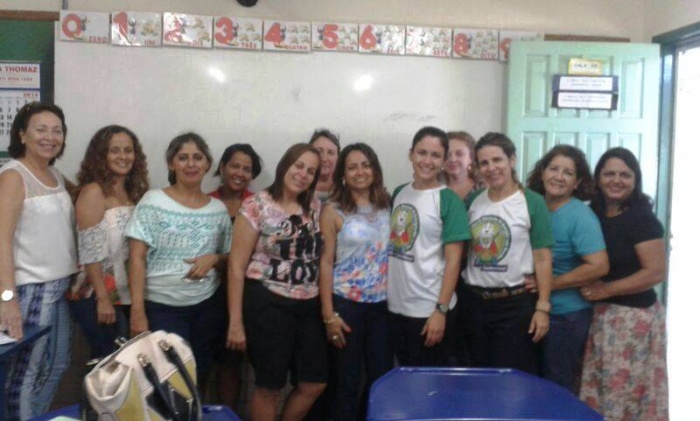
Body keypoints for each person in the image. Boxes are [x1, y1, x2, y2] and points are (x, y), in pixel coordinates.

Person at [227, 143, 326, 421]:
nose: (303, 174)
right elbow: (236, 266)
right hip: (267, 304)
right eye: (299, 166)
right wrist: (235, 322)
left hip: (308, 305)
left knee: (314, 383)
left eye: (311, 171)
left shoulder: (315, 206)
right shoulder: (256, 205)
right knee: (269, 386)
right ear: (285, 165)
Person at [126, 132, 231, 385]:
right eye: (183, 158)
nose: (190, 164)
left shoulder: (218, 209)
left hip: (207, 307)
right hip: (162, 307)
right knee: (169, 381)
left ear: (207, 164)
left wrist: (214, 258)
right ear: (171, 164)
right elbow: (136, 258)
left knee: (199, 375)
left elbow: (230, 256)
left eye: (197, 157)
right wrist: (137, 311)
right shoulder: (153, 201)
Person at [0, 101, 78, 420]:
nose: (50, 137)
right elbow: (1, 239)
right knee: (24, 374)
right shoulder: (13, 176)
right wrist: (7, 298)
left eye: (57, 130)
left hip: (59, 288)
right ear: (22, 134)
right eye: (41, 129)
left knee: (57, 364)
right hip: (30, 290)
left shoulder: (54, 173)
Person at [579, 147, 668, 420]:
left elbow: (655, 272)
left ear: (635, 179)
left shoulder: (641, 218)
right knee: (597, 390)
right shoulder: (590, 214)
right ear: (598, 178)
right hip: (597, 316)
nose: (616, 180)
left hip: (632, 320)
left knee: (626, 393)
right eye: (609, 174)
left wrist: (606, 289)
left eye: (624, 175)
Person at [461, 132, 553, 375]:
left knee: (511, 378)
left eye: (497, 160)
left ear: (511, 160)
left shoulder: (532, 202)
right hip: (474, 304)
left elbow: (543, 258)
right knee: (477, 376)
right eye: (484, 163)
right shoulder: (474, 201)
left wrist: (542, 308)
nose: (491, 168)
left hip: (514, 307)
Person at [319, 143, 393, 421]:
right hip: (346, 305)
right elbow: (326, 263)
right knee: (346, 382)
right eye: (352, 167)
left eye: (365, 165)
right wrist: (329, 315)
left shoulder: (387, 204)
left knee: (380, 379)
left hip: (382, 307)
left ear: (375, 169)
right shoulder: (332, 210)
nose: (360, 172)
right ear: (342, 174)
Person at [526, 145, 608, 393]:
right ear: (542, 172)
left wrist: (547, 284)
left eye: (568, 173)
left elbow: (599, 266)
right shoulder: (532, 205)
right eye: (553, 169)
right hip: (532, 309)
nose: (558, 177)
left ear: (577, 182)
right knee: (531, 383)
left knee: (556, 385)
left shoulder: (580, 216)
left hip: (566, 316)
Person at [387, 126, 470, 367]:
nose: (427, 161)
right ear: (411, 154)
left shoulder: (449, 201)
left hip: (428, 310)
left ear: (443, 161)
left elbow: (453, 262)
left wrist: (440, 311)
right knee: (403, 373)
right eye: (422, 153)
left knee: (428, 380)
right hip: (395, 306)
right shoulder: (400, 192)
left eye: (435, 155)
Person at [66, 125, 149, 359]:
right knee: (110, 365)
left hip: (124, 294)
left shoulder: (133, 193)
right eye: (115, 150)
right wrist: (102, 298)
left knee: (125, 364)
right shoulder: (93, 191)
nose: (123, 156)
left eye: (128, 150)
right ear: (100, 155)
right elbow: (89, 250)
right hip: (95, 294)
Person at [208, 143, 262, 410]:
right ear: (222, 167)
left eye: (247, 169)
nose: (240, 173)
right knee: (210, 361)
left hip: (247, 294)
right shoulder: (205, 202)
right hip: (208, 293)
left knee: (234, 362)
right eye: (235, 166)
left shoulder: (258, 205)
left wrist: (222, 259)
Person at [444, 130, 484, 200]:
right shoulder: (435, 190)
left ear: (471, 157)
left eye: (459, 154)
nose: (452, 159)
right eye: (447, 155)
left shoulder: (483, 190)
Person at [309, 129, 340, 202]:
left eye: (330, 153)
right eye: (319, 151)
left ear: (338, 158)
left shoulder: (348, 191)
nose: (324, 158)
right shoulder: (297, 189)